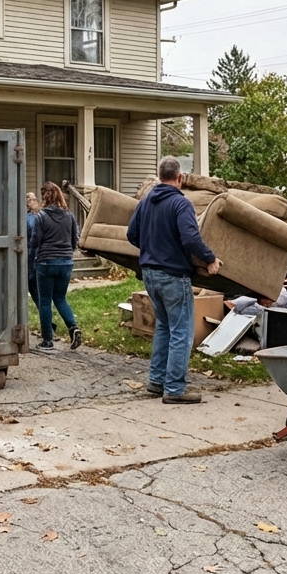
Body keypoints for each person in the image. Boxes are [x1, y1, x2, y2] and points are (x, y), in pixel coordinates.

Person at [126, 157, 221, 404]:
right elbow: (190, 238)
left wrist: (152, 248)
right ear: (180, 178)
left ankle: (156, 382)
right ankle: (175, 389)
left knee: (164, 327)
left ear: (160, 177)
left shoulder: (145, 202)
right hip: (173, 275)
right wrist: (210, 258)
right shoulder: (181, 203)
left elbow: (131, 234)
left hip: (150, 273)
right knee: (181, 331)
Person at [30, 182, 83, 353]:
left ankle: (47, 341)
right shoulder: (69, 215)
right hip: (66, 263)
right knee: (60, 298)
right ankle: (73, 327)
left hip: (46, 263)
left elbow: (35, 240)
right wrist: (66, 252)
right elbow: (75, 239)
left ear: (44, 196)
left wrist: (31, 251)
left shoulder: (41, 216)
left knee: (45, 301)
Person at [25, 192, 41, 306]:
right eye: (33, 200)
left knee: (33, 285)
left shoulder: (30, 218)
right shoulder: (36, 217)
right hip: (35, 254)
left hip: (32, 254)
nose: (35, 202)